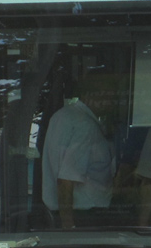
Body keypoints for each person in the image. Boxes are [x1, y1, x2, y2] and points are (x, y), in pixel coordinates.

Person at [41, 76, 116, 229]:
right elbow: (66, 179)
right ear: (88, 96)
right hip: (83, 217)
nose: (111, 102)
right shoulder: (86, 126)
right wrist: (69, 227)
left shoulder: (62, 115)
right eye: (106, 95)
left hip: (58, 212)